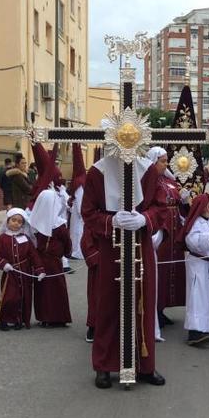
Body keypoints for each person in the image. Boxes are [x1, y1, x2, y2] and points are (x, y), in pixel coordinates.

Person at [80, 144, 165, 389]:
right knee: (107, 305)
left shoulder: (148, 170)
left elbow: (160, 207)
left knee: (144, 304)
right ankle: (104, 366)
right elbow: (88, 212)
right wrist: (111, 220)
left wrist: (144, 218)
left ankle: (145, 366)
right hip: (110, 247)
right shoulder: (97, 172)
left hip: (140, 245)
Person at [28, 143, 73, 327]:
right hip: (50, 261)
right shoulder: (52, 225)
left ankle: (53, 317)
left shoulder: (39, 225)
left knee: (50, 288)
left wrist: (66, 252)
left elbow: (66, 242)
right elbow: (67, 242)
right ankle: (50, 317)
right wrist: (66, 253)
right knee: (49, 289)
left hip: (50, 261)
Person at [146, 147, 187, 328]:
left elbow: (177, 203)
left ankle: (162, 309)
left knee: (172, 268)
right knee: (159, 270)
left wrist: (184, 202)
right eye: (162, 161)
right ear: (153, 161)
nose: (166, 164)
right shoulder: (148, 180)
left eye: (166, 160)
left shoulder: (168, 180)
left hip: (174, 229)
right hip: (161, 229)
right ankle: (154, 309)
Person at [182, 194, 209, 347]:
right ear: (206, 207)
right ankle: (195, 332)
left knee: (208, 296)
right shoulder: (196, 223)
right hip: (197, 264)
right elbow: (192, 241)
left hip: (208, 264)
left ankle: (207, 327)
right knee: (197, 297)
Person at [0, 208, 45, 330]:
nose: (16, 223)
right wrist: (3, 264)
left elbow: (33, 255)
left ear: (23, 224)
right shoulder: (2, 239)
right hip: (10, 273)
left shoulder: (26, 238)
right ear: (7, 221)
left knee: (23, 297)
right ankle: (4, 320)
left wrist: (40, 269)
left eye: (19, 221)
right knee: (9, 297)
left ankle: (19, 320)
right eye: (13, 220)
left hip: (24, 272)